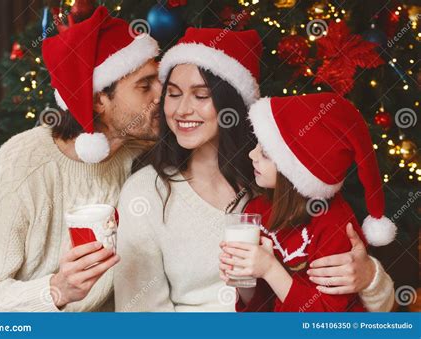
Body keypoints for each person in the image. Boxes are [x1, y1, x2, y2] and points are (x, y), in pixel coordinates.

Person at [114, 28, 395, 312]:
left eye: (201, 96)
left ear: (230, 102)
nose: (182, 109)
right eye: (173, 94)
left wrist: (370, 278)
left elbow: (357, 313)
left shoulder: (276, 178)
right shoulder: (146, 193)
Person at [0, 6, 161, 312]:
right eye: (145, 86)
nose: (162, 94)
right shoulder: (20, 168)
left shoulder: (140, 154)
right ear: (99, 99)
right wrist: (55, 291)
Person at [219, 93, 396, 312]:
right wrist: (242, 279)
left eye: (265, 153)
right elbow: (261, 307)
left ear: (294, 171)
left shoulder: (334, 226)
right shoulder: (258, 209)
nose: (251, 154)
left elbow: (325, 322)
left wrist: (270, 269)